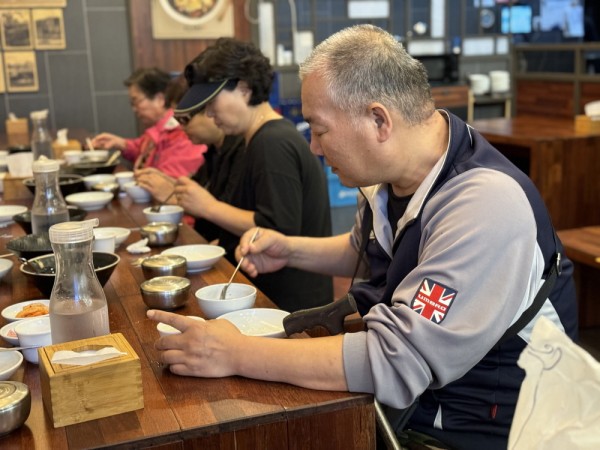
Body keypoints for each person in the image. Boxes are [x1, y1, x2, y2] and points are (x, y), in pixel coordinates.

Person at [147, 25, 577, 449]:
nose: (314, 147)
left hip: (486, 427)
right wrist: (289, 248)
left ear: (378, 120)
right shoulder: (387, 178)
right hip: (414, 407)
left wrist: (233, 353)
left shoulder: (486, 205)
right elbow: (364, 249)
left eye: (319, 128)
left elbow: (397, 361)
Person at [166, 39, 333, 312]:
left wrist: (209, 207)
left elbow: (278, 228)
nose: (208, 113)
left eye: (212, 102)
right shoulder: (255, 139)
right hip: (268, 291)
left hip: (290, 305)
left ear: (244, 89)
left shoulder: (273, 142)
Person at [135, 107, 246, 242]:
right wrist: (168, 182)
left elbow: (229, 216)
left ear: (211, 113)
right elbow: (199, 190)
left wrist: (174, 197)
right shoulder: (214, 151)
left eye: (185, 120)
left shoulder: (242, 151)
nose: (181, 128)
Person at [91, 67, 206, 178]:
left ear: (160, 99)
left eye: (136, 101)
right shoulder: (158, 129)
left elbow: (170, 179)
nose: (134, 109)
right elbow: (146, 151)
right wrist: (121, 143)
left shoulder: (181, 130)